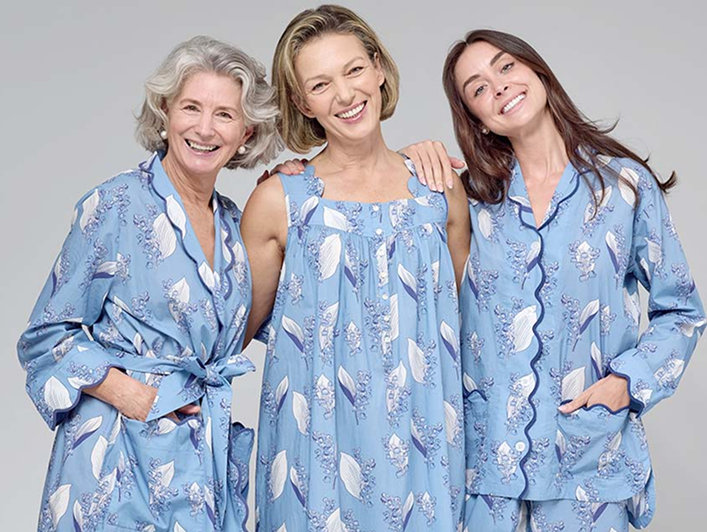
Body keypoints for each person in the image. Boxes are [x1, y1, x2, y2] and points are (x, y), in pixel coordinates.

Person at [403, 29, 705, 531]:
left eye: (506, 67)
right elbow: (383, 245)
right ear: (475, 118)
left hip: (589, 465)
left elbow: (682, 311)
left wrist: (627, 383)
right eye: (478, 88)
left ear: (537, 71)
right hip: (488, 472)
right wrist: (408, 163)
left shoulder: (622, 187)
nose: (498, 87)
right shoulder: (467, 201)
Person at [17, 36, 281, 532]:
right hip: (115, 462)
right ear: (165, 111)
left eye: (225, 115)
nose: (205, 128)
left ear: (246, 132)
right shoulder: (117, 204)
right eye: (191, 107)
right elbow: (46, 338)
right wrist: (138, 398)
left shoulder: (233, 225)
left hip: (201, 466)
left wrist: (291, 191)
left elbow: (255, 324)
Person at [240, 5, 470, 531]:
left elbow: (467, 328)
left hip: (427, 453)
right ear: (302, 102)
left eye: (354, 70)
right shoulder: (280, 202)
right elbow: (230, 332)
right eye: (320, 85)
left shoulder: (440, 192)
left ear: (378, 68)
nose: (345, 95)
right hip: (314, 459)